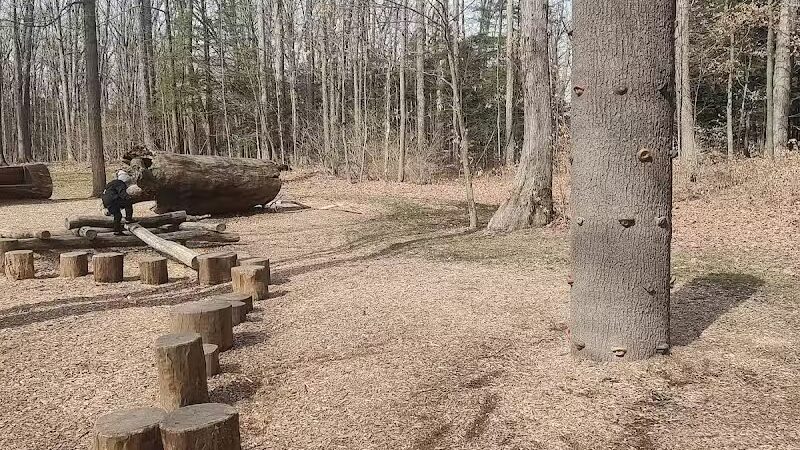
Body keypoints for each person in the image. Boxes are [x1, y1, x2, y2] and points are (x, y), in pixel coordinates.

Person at [102, 170, 135, 235]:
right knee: (128, 203)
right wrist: (128, 197)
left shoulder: (111, 183)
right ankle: (129, 219)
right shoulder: (120, 183)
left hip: (106, 201)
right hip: (113, 199)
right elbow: (122, 193)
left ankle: (117, 231)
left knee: (118, 215)